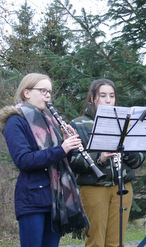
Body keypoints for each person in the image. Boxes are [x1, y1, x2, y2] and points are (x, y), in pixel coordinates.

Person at [0, 73, 89, 246]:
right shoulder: (15, 121)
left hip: (56, 199)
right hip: (32, 199)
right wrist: (61, 148)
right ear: (26, 93)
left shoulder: (49, 122)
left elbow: (61, 160)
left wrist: (66, 145)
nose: (48, 95)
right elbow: (24, 160)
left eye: (49, 91)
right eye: (42, 91)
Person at [69, 78, 145, 247]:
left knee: (116, 242)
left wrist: (124, 151)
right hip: (93, 188)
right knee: (95, 240)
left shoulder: (127, 123)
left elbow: (139, 159)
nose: (108, 100)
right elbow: (72, 160)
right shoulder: (78, 124)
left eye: (111, 95)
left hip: (122, 186)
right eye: (103, 95)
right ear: (92, 98)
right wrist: (100, 157)